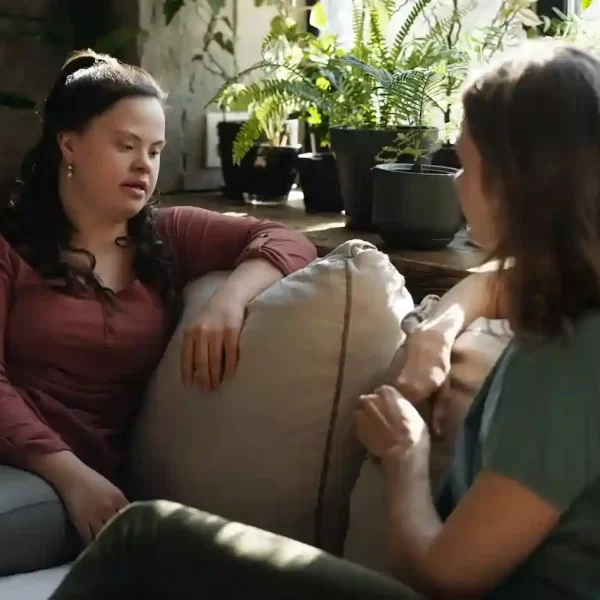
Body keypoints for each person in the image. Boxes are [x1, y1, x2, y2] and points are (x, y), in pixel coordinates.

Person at [50, 39, 600, 599]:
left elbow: (447, 572)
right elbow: (507, 280)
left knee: (144, 534)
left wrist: (405, 456)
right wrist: (440, 325)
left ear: (519, 181)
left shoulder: (567, 364)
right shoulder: (572, 297)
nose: (454, 182)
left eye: (466, 162)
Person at [0, 50, 316, 548]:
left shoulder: (167, 235)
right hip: (37, 469)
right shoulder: (9, 247)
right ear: (70, 145)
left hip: (75, 486)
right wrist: (71, 477)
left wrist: (228, 302)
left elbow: (287, 240)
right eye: (126, 145)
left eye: (155, 150)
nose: (143, 166)